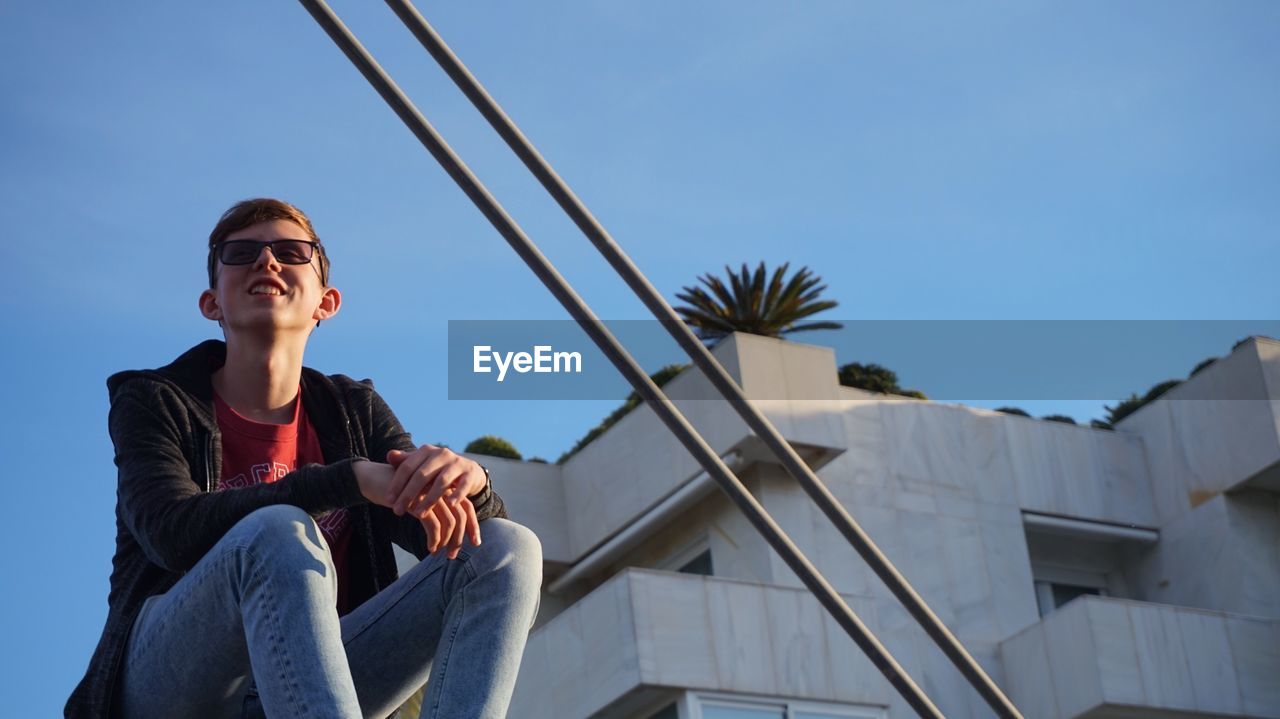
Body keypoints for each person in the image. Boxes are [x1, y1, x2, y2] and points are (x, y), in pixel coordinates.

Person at [65, 198, 543, 718]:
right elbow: (168, 533)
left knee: (508, 546)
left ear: (326, 301)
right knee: (277, 533)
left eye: (291, 252)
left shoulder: (351, 411)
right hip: (172, 684)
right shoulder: (156, 400)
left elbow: (456, 539)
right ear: (212, 303)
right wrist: (347, 480)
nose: (266, 262)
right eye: (241, 253)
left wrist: (471, 486)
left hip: (312, 687)